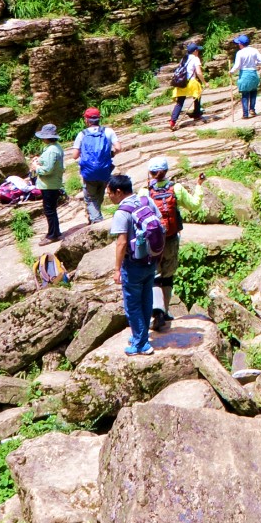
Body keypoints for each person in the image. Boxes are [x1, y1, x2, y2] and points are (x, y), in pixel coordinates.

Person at [106, 175, 163, 356]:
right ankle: (141, 335)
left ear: (119, 192)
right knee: (146, 299)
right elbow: (160, 226)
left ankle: (141, 344)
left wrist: (116, 269)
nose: (108, 197)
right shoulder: (146, 201)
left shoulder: (122, 213)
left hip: (133, 264)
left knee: (132, 304)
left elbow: (121, 243)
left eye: (110, 193)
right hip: (150, 260)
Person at [146, 157, 183, 329]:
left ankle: (157, 311)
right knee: (168, 275)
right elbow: (195, 205)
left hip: (153, 241)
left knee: (155, 275)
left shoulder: (144, 192)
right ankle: (166, 312)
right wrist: (199, 186)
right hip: (171, 238)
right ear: (167, 171)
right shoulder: (176, 188)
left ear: (150, 172)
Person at [74, 107, 117, 223]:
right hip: (104, 170)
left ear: (86, 120)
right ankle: (94, 215)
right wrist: (110, 154)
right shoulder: (108, 131)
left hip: (88, 171)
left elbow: (74, 155)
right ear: (99, 118)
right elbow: (118, 148)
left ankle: (96, 220)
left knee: (90, 198)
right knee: (100, 193)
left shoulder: (82, 134)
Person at [33, 124, 66, 242]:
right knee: (52, 209)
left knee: (49, 210)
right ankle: (55, 232)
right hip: (53, 183)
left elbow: (47, 170)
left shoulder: (51, 150)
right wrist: (39, 160)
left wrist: (36, 167)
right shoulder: (56, 147)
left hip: (49, 185)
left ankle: (52, 235)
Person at [169, 42, 204, 130]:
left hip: (181, 83)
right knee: (197, 96)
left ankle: (173, 121)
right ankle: (197, 114)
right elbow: (199, 72)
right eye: (198, 50)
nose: (198, 52)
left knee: (180, 102)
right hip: (191, 82)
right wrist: (204, 82)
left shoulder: (184, 58)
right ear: (195, 51)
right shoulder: (195, 59)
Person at [232, 32, 261, 119]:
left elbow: (237, 65)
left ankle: (245, 114)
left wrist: (231, 72)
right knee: (253, 91)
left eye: (238, 43)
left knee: (245, 94)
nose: (238, 44)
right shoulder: (254, 50)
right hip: (253, 73)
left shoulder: (240, 53)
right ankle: (252, 110)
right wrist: (255, 63)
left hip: (244, 74)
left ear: (241, 44)